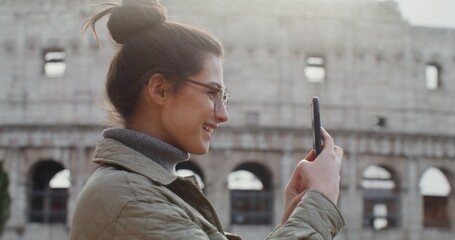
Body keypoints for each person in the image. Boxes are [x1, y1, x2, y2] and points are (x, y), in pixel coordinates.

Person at [70, 0, 345, 239]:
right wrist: (320, 199)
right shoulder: (131, 199)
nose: (223, 115)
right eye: (212, 93)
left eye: (224, 97)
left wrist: (293, 220)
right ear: (160, 89)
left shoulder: (137, 189)